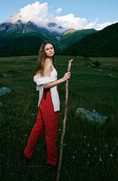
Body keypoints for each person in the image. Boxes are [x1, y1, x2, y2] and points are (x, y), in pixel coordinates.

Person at [23, 41, 71, 170]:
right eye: (47, 49)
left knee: (38, 128)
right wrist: (62, 79)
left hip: (43, 100)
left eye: (51, 48)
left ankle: (27, 154)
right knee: (51, 133)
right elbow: (45, 85)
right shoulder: (48, 62)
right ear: (43, 51)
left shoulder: (45, 61)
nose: (50, 50)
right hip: (49, 100)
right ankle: (52, 162)